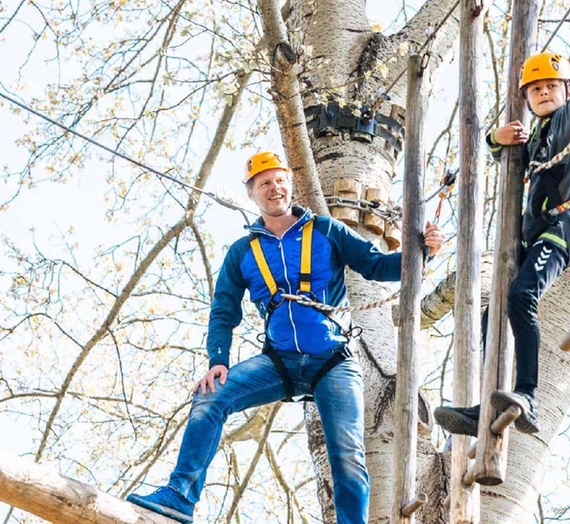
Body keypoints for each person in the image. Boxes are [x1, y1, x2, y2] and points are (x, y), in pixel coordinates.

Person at [127, 151, 445, 524]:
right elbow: (223, 311)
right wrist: (218, 360)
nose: (274, 189)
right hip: (280, 361)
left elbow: (378, 266)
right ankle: (180, 496)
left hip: (333, 361)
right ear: (252, 194)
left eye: (280, 181)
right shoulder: (243, 253)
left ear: (290, 186)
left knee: (346, 452)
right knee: (209, 398)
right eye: (265, 184)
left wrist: (424, 251)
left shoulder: (327, 231)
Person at [434, 52, 570, 436]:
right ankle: (487, 403)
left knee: (521, 298)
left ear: (567, 89)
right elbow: (506, 153)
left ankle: (528, 394)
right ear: (527, 98)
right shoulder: (536, 133)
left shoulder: (566, 120)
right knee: (492, 314)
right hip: (530, 235)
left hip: (558, 228)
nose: (544, 93)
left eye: (552, 86)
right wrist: (493, 138)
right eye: (535, 89)